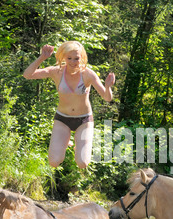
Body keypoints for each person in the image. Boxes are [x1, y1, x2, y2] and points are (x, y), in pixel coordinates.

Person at [23, 41, 115, 169]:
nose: (73, 62)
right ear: (63, 58)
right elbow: (27, 75)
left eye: (76, 58)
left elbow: (107, 97)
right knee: (54, 162)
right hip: (63, 119)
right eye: (69, 58)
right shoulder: (56, 72)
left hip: (84, 120)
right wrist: (42, 58)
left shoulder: (88, 74)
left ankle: (79, 142)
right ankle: (68, 141)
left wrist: (108, 87)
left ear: (81, 57)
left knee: (82, 163)